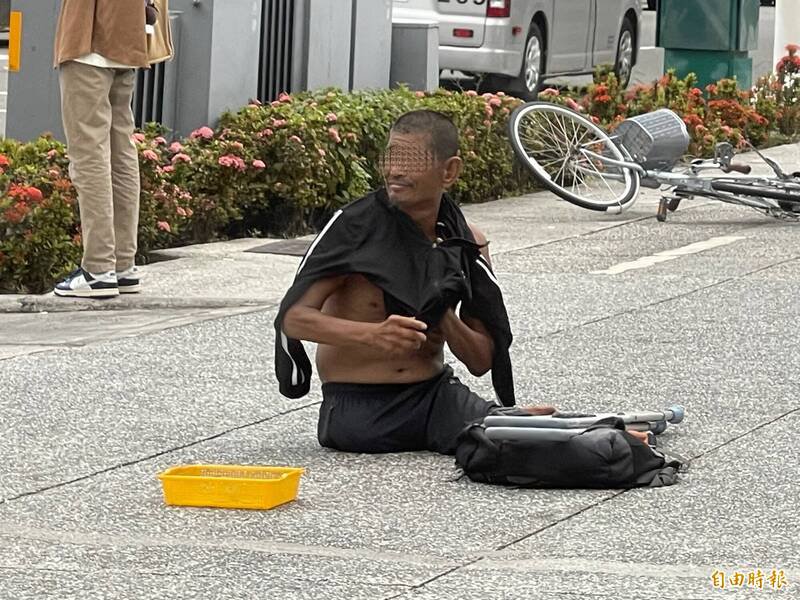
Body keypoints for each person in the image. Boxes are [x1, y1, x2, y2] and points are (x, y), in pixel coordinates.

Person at [274, 110, 570, 455]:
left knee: (540, 438)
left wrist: (440, 311)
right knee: (503, 439)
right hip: (360, 408)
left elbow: (480, 361)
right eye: (391, 157)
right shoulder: (354, 231)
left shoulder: (464, 242)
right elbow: (293, 319)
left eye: (411, 160)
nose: (394, 170)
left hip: (436, 396)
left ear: (449, 171)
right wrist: (373, 335)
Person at [52, 1, 151, 297]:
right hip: (127, 38)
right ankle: (122, 265)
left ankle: (98, 268)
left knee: (88, 155)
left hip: (89, 38)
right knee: (122, 152)